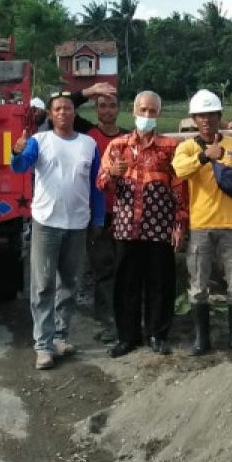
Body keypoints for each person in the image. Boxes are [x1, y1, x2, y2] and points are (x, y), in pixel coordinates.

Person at [12, 91, 105, 371]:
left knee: (69, 284)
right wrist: (17, 151)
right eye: (58, 109)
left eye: (67, 108)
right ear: (51, 115)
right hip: (46, 224)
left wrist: (97, 219)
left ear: (74, 113)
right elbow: (20, 167)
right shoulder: (39, 141)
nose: (63, 112)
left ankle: (61, 336)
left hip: (77, 225)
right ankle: (43, 345)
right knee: (42, 286)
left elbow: (96, 186)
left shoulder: (89, 145)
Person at [173, 89, 232, 359]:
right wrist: (206, 156)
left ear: (219, 117)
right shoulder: (188, 148)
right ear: (193, 118)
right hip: (200, 225)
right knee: (198, 284)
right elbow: (179, 171)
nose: (207, 120)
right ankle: (202, 339)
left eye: (212, 115)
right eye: (201, 116)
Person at [97, 90, 187, 357]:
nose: (147, 115)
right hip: (126, 227)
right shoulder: (117, 146)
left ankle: (158, 335)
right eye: (142, 110)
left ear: (158, 113)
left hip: (159, 228)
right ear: (134, 111)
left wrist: (180, 224)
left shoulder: (171, 147)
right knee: (126, 284)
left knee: (160, 283)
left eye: (152, 111)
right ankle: (128, 337)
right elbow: (101, 182)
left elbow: (180, 189)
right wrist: (112, 174)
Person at [84, 90, 128, 343]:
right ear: (96, 110)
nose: (108, 110)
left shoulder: (127, 139)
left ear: (118, 109)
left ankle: (126, 319)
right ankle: (106, 322)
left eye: (112, 105)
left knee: (124, 268)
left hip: (124, 214)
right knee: (102, 270)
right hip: (98, 215)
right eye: (103, 106)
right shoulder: (89, 139)